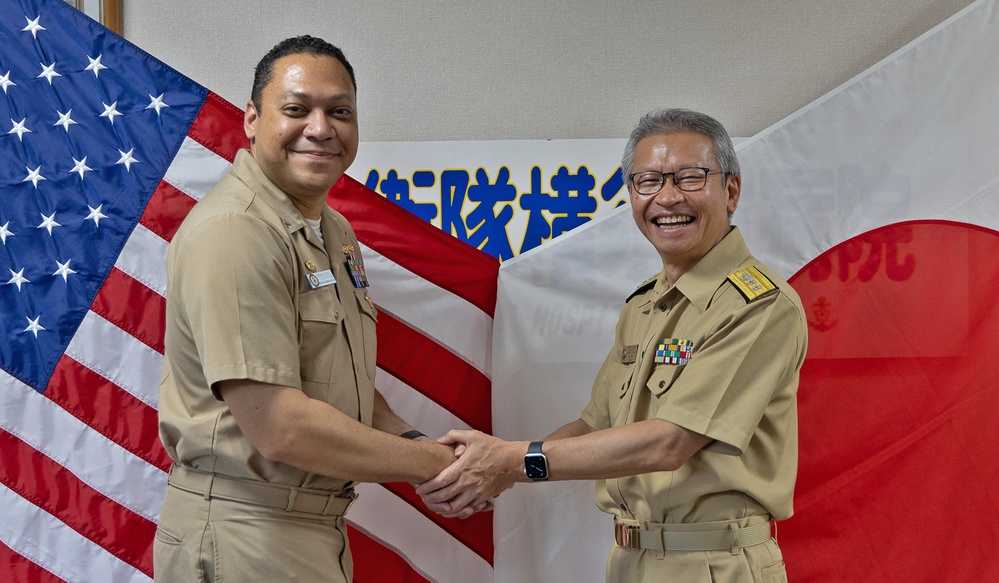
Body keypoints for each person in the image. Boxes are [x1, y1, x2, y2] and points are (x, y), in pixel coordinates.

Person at [418, 108, 808, 582]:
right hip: (629, 559)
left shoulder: (759, 306)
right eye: (648, 181)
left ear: (730, 190)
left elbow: (670, 442)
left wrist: (508, 458)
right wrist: (503, 470)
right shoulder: (644, 306)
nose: (667, 197)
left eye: (689, 177)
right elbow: (592, 424)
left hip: (713, 564)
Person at [154, 35, 455, 582]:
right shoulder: (239, 229)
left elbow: (338, 379)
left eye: (339, 111)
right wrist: (441, 467)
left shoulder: (331, 230)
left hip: (306, 527)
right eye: (296, 109)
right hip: (245, 529)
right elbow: (279, 427)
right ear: (251, 118)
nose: (320, 128)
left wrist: (415, 442)